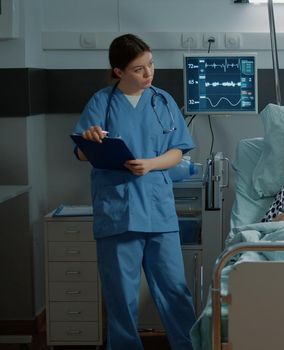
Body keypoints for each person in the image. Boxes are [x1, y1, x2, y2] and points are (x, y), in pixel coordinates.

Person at [73, 34, 196, 349]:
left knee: (175, 291)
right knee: (121, 299)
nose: (148, 74)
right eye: (139, 69)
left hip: (157, 210)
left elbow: (178, 150)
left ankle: (189, 345)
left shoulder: (163, 101)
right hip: (118, 212)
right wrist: (90, 139)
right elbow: (82, 153)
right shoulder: (102, 102)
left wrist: (152, 164)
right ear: (118, 71)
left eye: (151, 65)